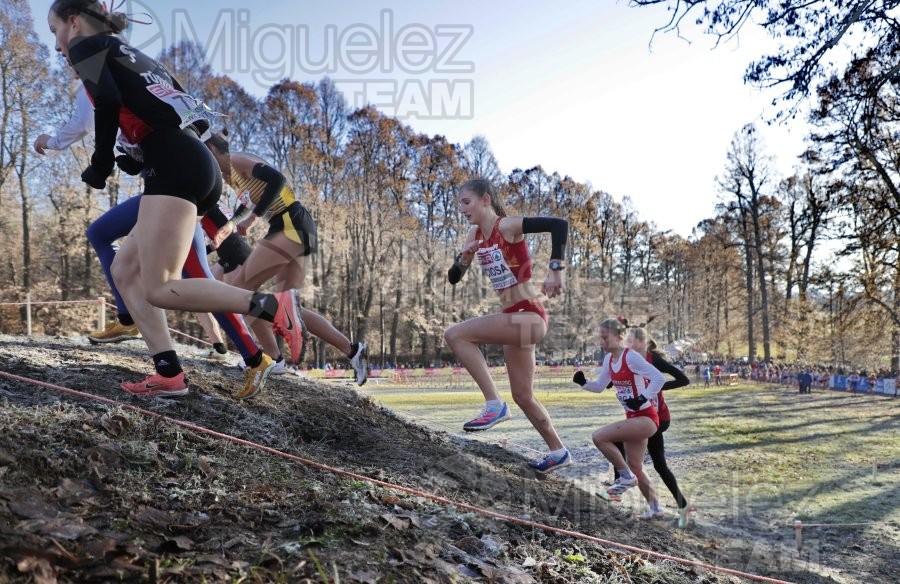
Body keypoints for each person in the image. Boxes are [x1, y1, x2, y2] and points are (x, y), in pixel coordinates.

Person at [50, 0, 293, 397]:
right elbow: (182, 116)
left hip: (176, 166)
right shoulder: (133, 53)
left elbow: (108, 102)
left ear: (74, 23)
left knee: (160, 287)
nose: (59, 46)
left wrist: (100, 163)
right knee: (127, 271)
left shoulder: (86, 46)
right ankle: (169, 373)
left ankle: (270, 307)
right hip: (185, 160)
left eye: (55, 31)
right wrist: (137, 154)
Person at [444, 178, 570, 474]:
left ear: (485, 200)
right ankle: (558, 451)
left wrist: (555, 270)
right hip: (515, 322)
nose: (462, 209)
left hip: (530, 316)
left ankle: (493, 404)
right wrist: (463, 260)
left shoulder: (507, 226)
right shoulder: (474, 233)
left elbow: (559, 225)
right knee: (523, 396)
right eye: (460, 204)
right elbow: (453, 277)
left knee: (455, 335)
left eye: (466, 202)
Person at [202, 213, 369, 385]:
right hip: (302, 226)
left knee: (241, 299)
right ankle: (353, 350)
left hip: (288, 227)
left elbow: (273, 186)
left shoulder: (200, 199)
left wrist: (249, 218)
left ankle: (272, 358)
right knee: (288, 307)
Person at [572, 318, 665, 517]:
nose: (601, 342)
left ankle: (624, 478)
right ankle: (656, 509)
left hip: (647, 418)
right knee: (636, 467)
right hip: (634, 418)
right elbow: (599, 386)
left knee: (599, 437)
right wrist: (583, 383)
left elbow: (659, 378)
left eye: (605, 338)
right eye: (600, 338)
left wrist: (642, 398)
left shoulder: (630, 357)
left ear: (619, 336)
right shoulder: (608, 360)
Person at [610, 320, 693, 527]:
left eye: (629, 340)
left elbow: (683, 380)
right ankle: (678, 506)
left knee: (620, 442)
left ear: (640, 342)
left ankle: (617, 490)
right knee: (657, 463)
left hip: (657, 418)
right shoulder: (628, 358)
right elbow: (613, 379)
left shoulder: (652, 359)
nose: (625, 344)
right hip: (642, 416)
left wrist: (657, 388)